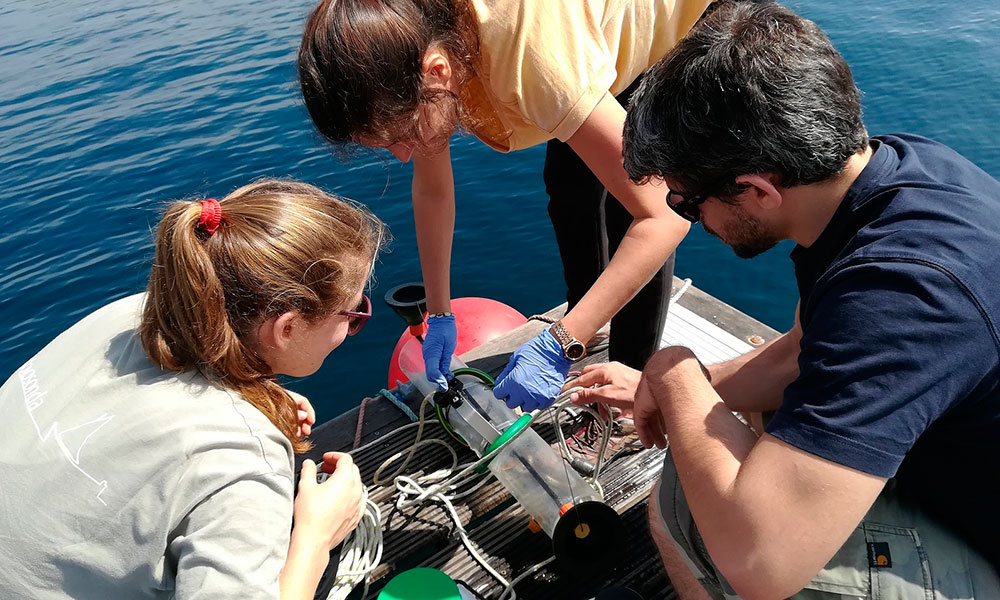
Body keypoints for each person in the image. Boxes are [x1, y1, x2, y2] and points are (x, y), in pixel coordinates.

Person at [570, 2, 1000, 598]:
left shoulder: (901, 294)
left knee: (689, 504)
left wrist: (672, 371)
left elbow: (761, 561)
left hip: (981, 541)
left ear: (756, 189)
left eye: (688, 203)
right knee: (725, 433)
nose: (687, 220)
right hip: (960, 470)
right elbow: (802, 354)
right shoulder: (895, 175)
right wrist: (660, 388)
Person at [297, 0, 712, 410]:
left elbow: (663, 214)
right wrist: (439, 314)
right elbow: (433, 191)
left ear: (438, 71)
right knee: (569, 188)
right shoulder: (410, 40)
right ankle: (588, 323)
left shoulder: (532, 58)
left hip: (672, 23)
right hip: (573, 40)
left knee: (629, 213)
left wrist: (560, 343)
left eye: (398, 137)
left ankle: (624, 395)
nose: (404, 155)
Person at [0, 180, 389, 599]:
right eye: (355, 313)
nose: (351, 329)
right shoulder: (242, 459)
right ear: (287, 327)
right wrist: (317, 535)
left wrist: (255, 397)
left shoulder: (130, 315)